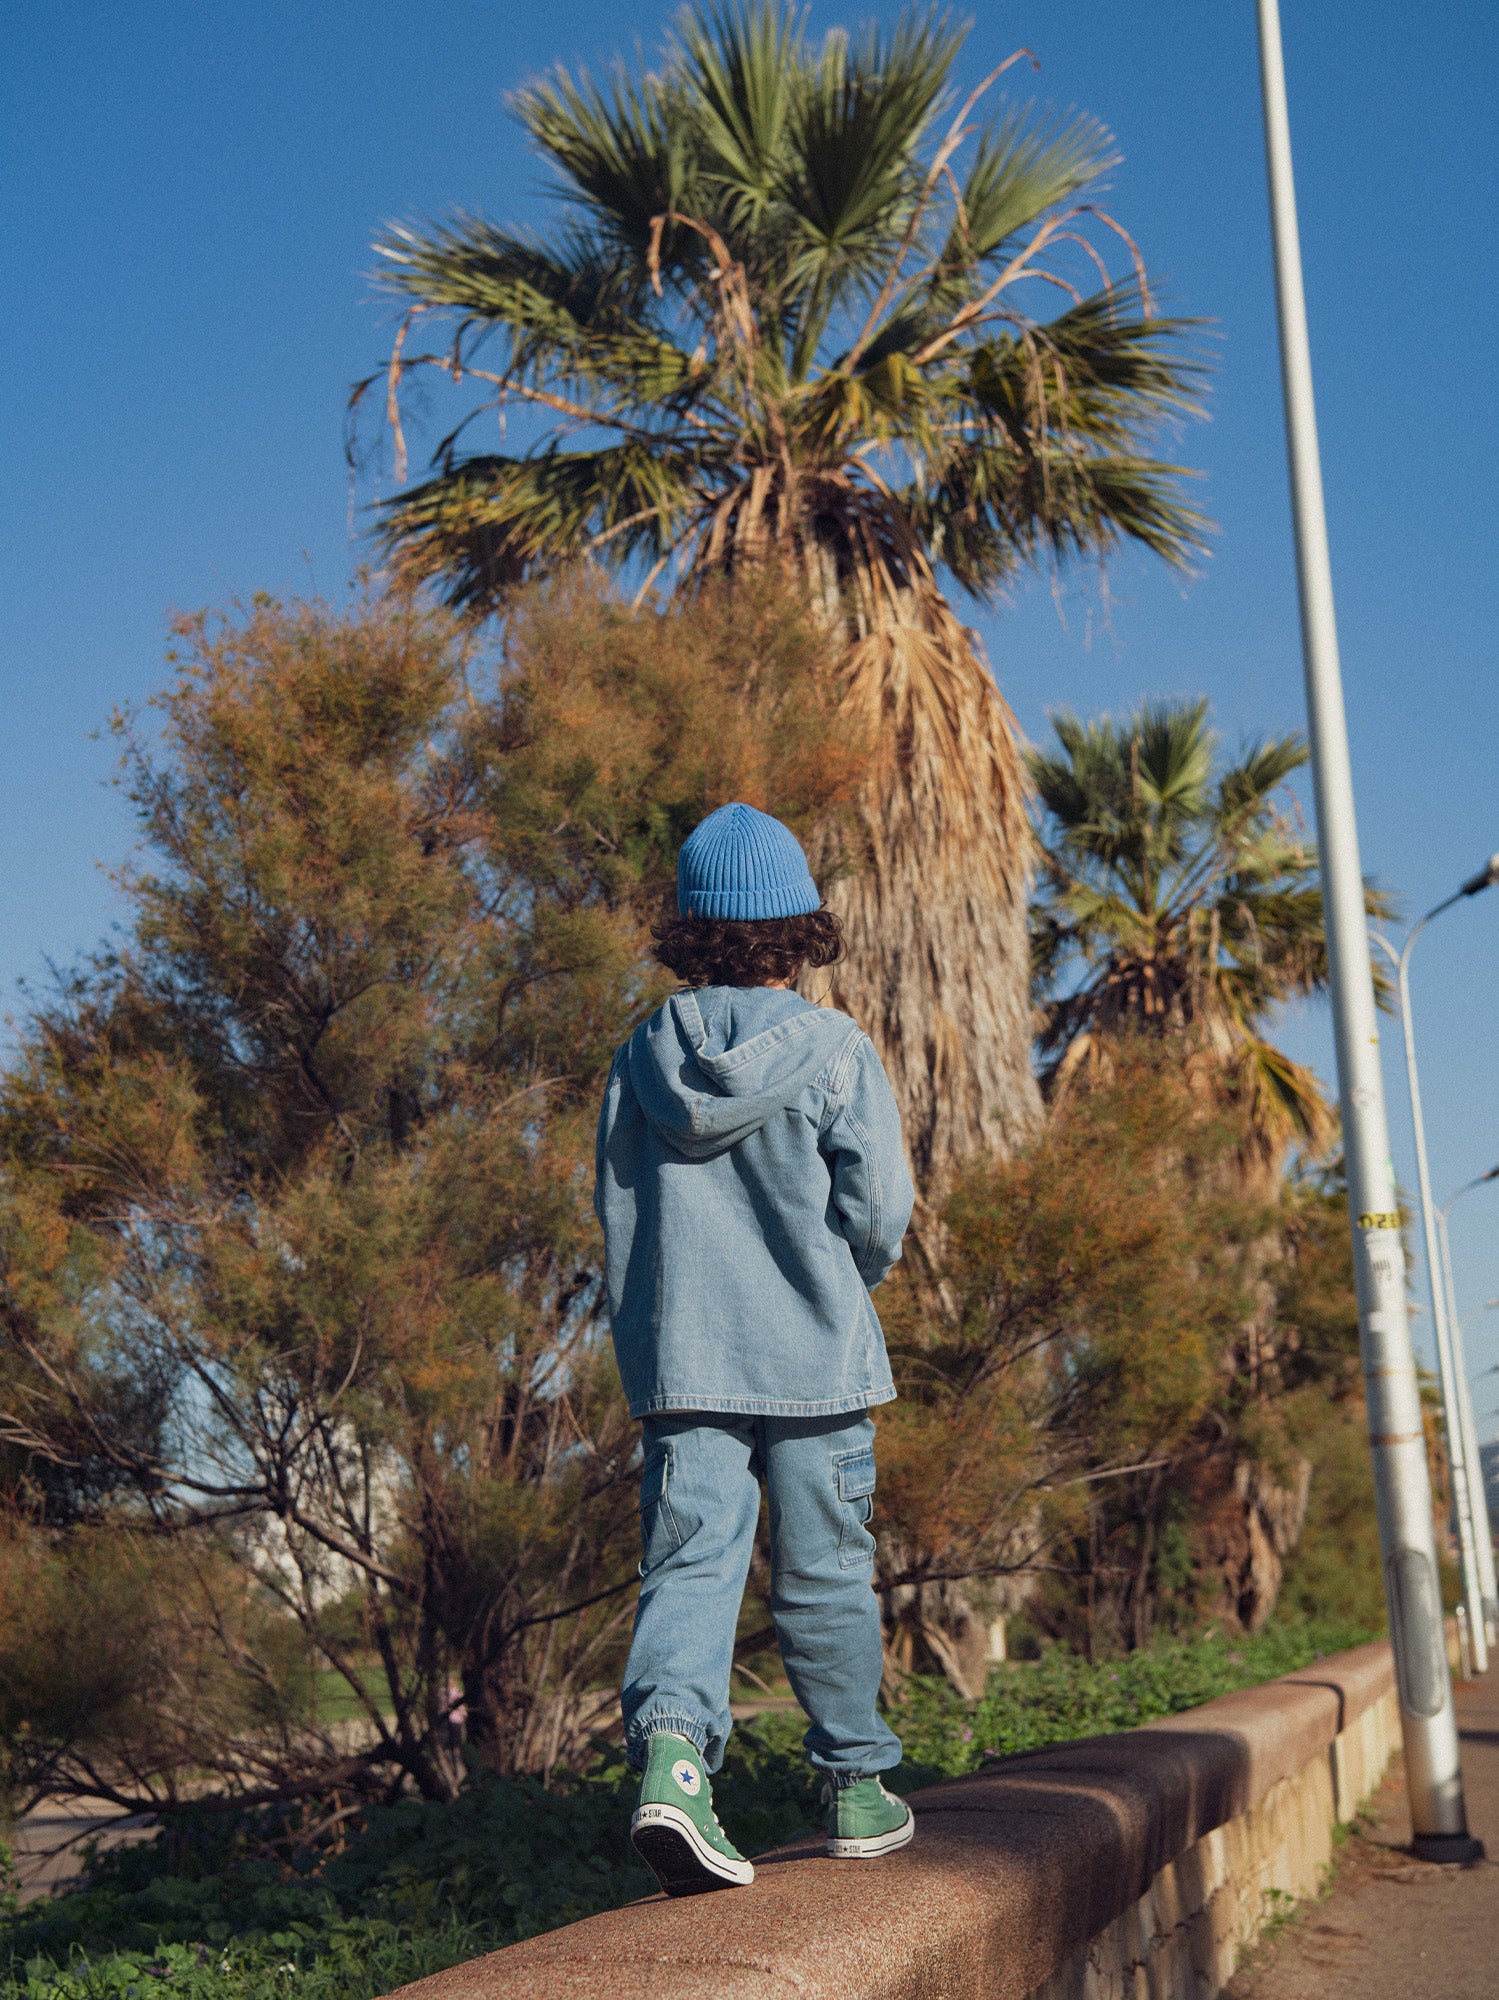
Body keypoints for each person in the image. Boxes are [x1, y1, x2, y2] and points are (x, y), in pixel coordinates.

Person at [594, 800, 917, 1897]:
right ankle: (857, 1788)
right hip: (815, 1355)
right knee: (825, 1572)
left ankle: (674, 1771)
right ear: (798, 929)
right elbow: (878, 1214)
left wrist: (653, 1325)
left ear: (690, 930)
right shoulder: (835, 1050)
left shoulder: (640, 1056)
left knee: (688, 1565)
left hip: (684, 1358)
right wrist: (842, 1279)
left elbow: (618, 1207)